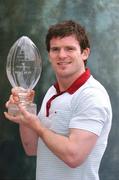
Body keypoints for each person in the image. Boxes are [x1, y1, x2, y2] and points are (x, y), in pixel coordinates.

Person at [4, 20, 112, 180]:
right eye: (55, 49)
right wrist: (24, 115)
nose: (61, 55)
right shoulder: (53, 91)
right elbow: (32, 148)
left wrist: (38, 126)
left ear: (85, 53)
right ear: (49, 55)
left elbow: (73, 156)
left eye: (69, 48)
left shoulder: (91, 95)